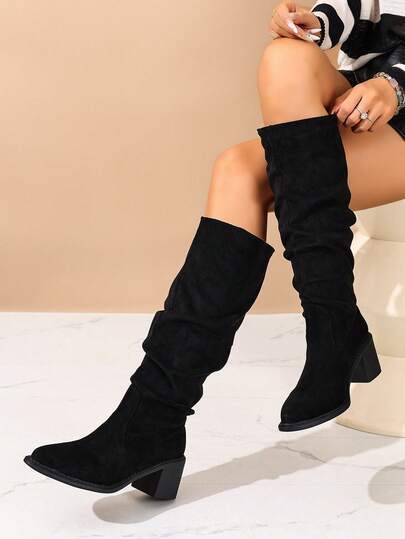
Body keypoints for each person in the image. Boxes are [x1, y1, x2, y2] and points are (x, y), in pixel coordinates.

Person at [24, 0, 405, 499]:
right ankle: (155, 416)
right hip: (367, 99)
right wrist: (318, 21)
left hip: (396, 99)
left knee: (241, 172)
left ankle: (154, 422)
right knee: (284, 59)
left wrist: (395, 84)